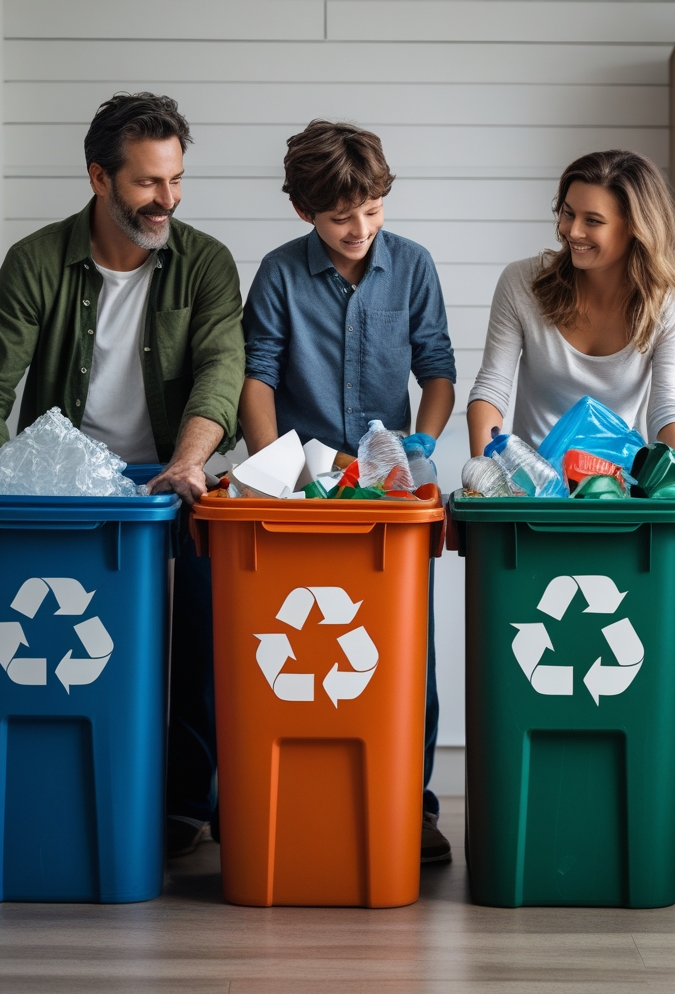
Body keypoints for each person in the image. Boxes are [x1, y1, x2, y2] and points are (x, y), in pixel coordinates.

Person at [0, 92, 246, 858]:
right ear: (99, 178)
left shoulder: (205, 261)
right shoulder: (38, 262)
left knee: (198, 640)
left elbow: (221, 369)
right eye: (148, 182)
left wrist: (189, 460)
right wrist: (6, 487)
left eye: (175, 179)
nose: (167, 199)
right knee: (74, 654)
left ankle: (181, 804)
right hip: (66, 491)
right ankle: (64, 796)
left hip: (168, 482)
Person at [238, 120, 456, 863]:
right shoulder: (278, 273)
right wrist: (274, 469)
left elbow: (437, 369)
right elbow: (257, 373)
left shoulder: (414, 267)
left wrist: (422, 440)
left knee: (404, 654)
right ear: (305, 212)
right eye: (340, 216)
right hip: (300, 488)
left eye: (372, 208)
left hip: (389, 492)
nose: (359, 226)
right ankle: (286, 791)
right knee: (296, 646)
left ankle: (409, 801)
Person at [467, 150, 675, 458]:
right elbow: (492, 387)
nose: (573, 231)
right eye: (568, 213)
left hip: (616, 485)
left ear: (635, 227)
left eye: (592, 220)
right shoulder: (521, 282)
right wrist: (485, 473)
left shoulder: (667, 304)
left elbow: (670, 404)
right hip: (534, 484)